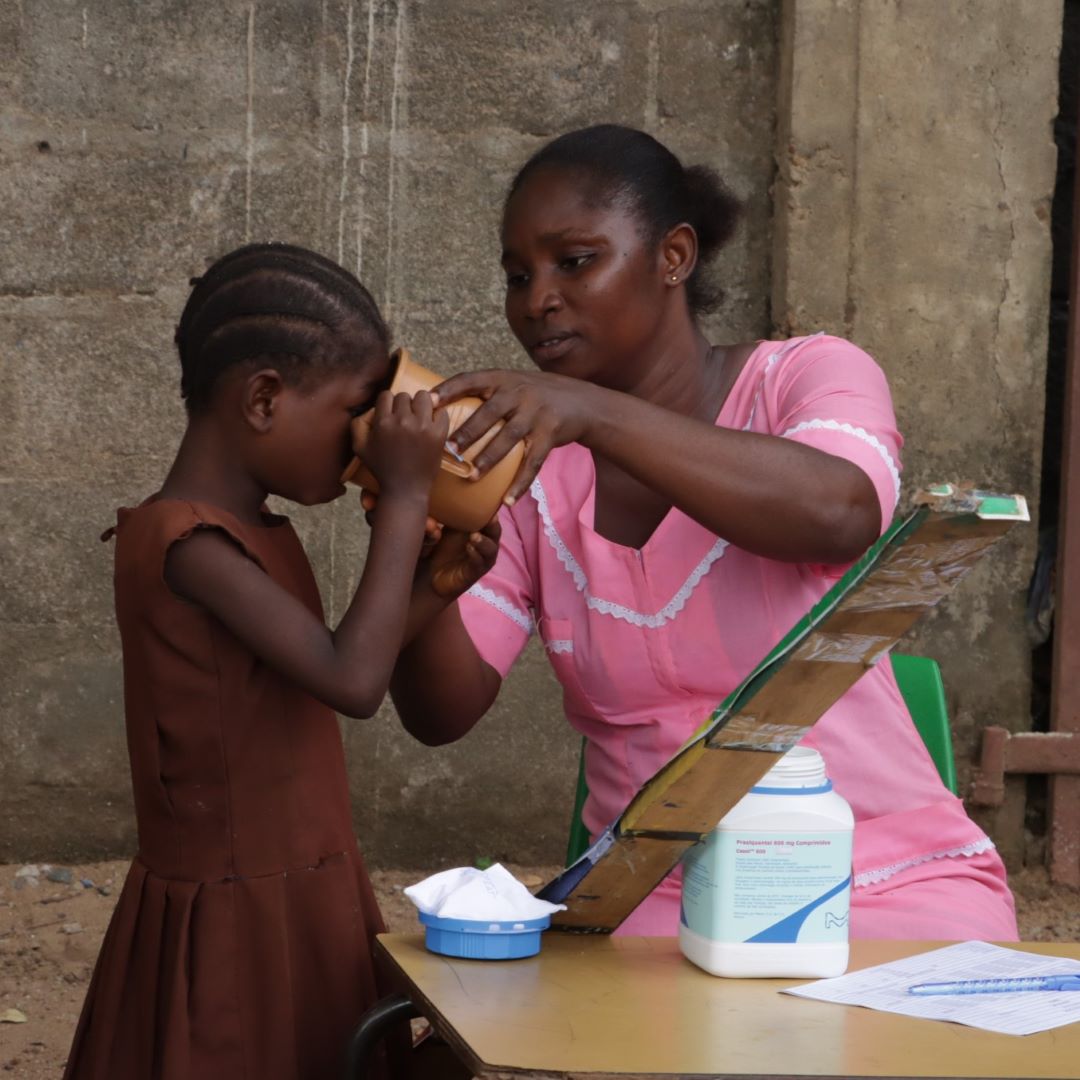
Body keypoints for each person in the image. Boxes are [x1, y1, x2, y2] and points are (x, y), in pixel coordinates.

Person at [391, 125, 1019, 941]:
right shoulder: (527, 474)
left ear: (674, 257)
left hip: (884, 880)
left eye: (574, 261)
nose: (536, 298)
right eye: (517, 275)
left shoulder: (805, 377)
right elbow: (442, 713)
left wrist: (595, 414)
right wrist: (417, 542)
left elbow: (840, 513)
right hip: (651, 903)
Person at [65, 243, 497, 1080]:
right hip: (236, 914)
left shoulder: (249, 530)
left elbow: (320, 667)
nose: (361, 445)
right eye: (352, 414)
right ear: (263, 398)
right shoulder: (185, 543)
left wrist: (435, 586)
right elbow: (354, 681)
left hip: (302, 884)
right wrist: (405, 497)